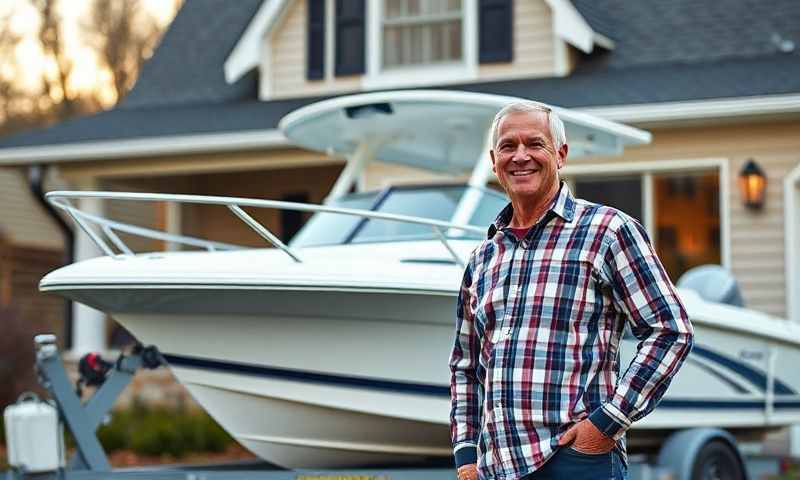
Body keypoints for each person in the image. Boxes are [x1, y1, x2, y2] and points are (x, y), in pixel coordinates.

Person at [449, 101, 694, 480]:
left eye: (535, 144)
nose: (521, 156)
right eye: (508, 146)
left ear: (560, 155)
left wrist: (607, 424)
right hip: (496, 468)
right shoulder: (483, 258)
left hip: (576, 461)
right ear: (494, 161)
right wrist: (466, 456)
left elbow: (670, 329)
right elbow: (465, 366)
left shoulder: (608, 231)